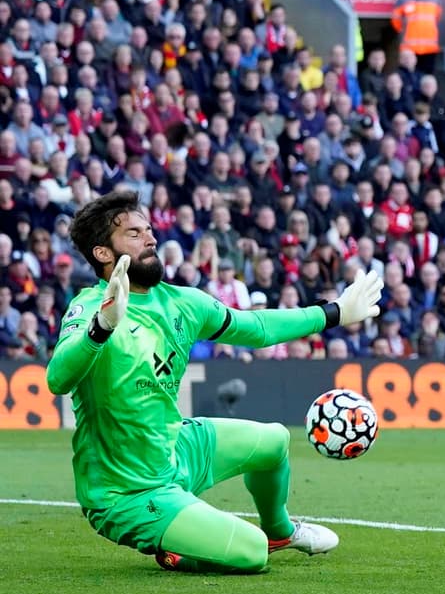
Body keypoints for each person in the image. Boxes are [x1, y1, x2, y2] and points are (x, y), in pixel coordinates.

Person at [46, 192, 384, 574]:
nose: (150, 239)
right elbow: (58, 378)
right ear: (104, 253)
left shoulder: (181, 302)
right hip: (125, 492)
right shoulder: (89, 308)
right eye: (134, 233)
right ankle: (175, 550)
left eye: (149, 229)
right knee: (250, 553)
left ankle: (280, 531)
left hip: (175, 448)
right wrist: (101, 328)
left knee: (274, 441)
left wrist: (334, 312)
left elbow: (254, 328)